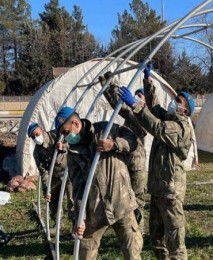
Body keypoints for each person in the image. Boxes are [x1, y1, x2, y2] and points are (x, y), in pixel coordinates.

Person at [118, 63, 194, 259]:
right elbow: (154, 108)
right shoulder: (169, 117)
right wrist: (148, 81)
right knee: (157, 239)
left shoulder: (181, 127)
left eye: (178, 101)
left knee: (175, 242)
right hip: (158, 189)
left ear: (185, 111)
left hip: (171, 191)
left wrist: (135, 106)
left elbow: (157, 127)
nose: (173, 102)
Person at [54, 107, 143, 259]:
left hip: (121, 204)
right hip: (95, 211)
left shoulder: (105, 130)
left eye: (65, 132)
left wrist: (114, 144)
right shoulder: (74, 151)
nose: (63, 137)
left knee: (132, 252)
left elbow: (134, 141)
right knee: (86, 252)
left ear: (75, 123)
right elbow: (78, 187)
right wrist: (80, 219)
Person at [98, 72, 148, 231]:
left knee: (137, 201)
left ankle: (137, 231)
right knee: (125, 198)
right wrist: (108, 87)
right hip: (126, 160)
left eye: (141, 96)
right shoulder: (132, 113)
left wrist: (112, 86)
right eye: (136, 95)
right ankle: (127, 229)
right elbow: (118, 105)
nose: (137, 97)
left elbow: (122, 108)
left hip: (137, 165)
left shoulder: (145, 116)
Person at [27, 122, 75, 226]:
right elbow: (44, 171)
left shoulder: (57, 135)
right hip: (54, 176)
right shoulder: (37, 152)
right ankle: (58, 224)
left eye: (37, 134)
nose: (36, 138)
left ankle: (75, 226)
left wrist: (63, 146)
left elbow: (74, 142)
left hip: (69, 173)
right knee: (53, 201)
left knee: (72, 200)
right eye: (33, 137)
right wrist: (46, 189)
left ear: (42, 130)